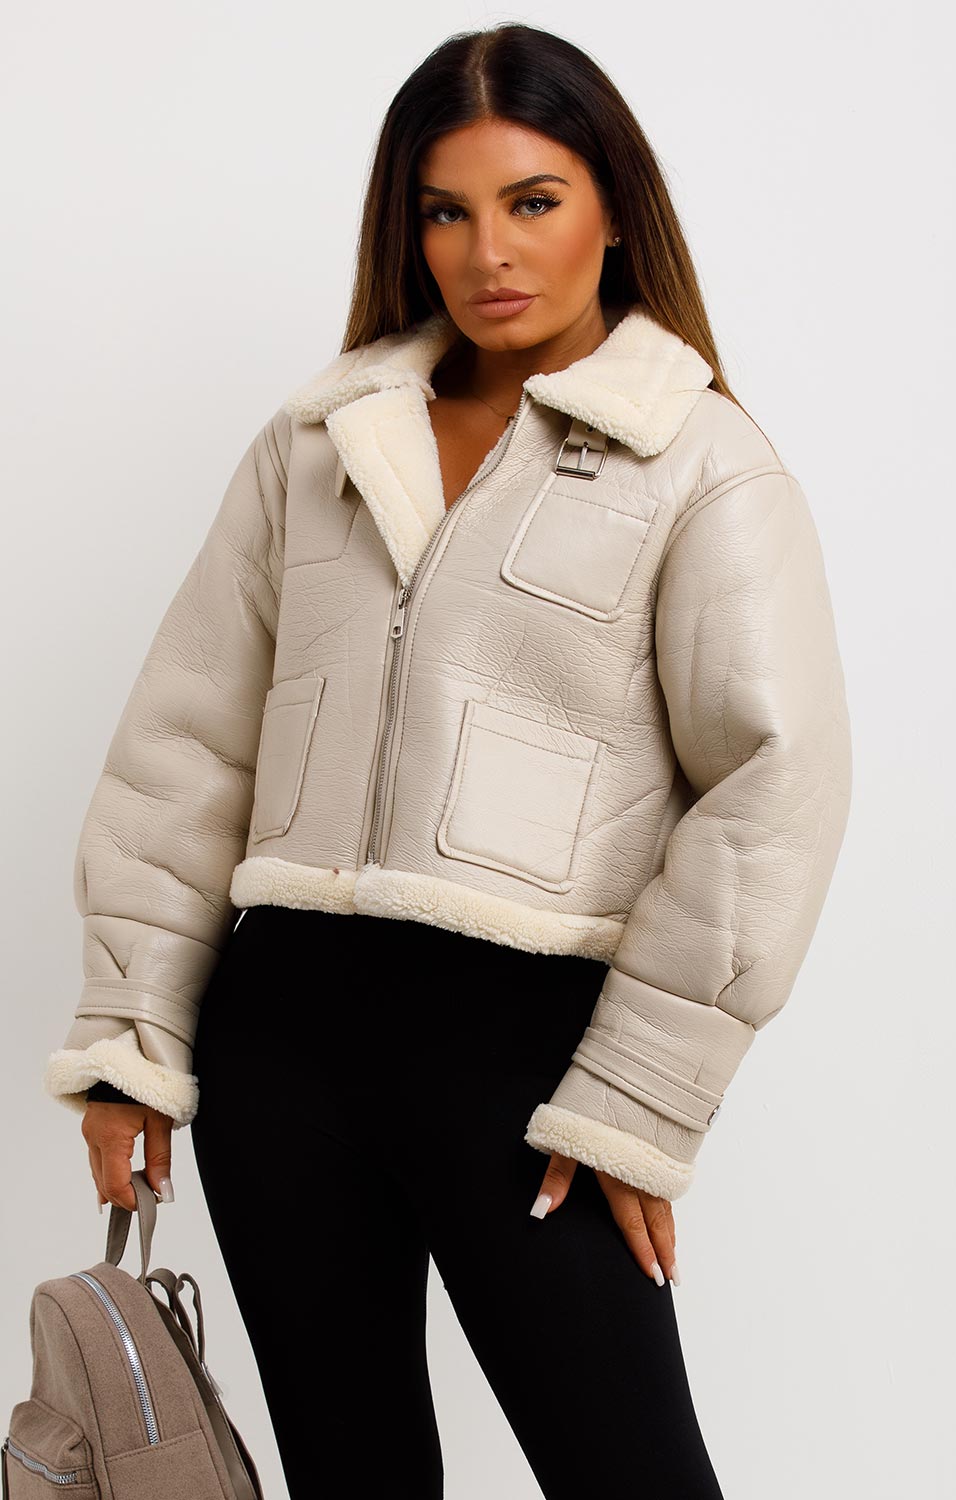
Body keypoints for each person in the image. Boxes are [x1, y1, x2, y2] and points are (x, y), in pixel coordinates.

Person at [43, 21, 852, 1499]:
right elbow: (185, 743)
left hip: (528, 1060)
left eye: (533, 201)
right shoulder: (319, 442)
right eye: (446, 210)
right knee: (350, 1475)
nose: (490, 252)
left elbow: (770, 792)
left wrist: (641, 1097)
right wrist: (131, 1042)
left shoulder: (703, 465)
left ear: (615, 210)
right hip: (282, 1038)